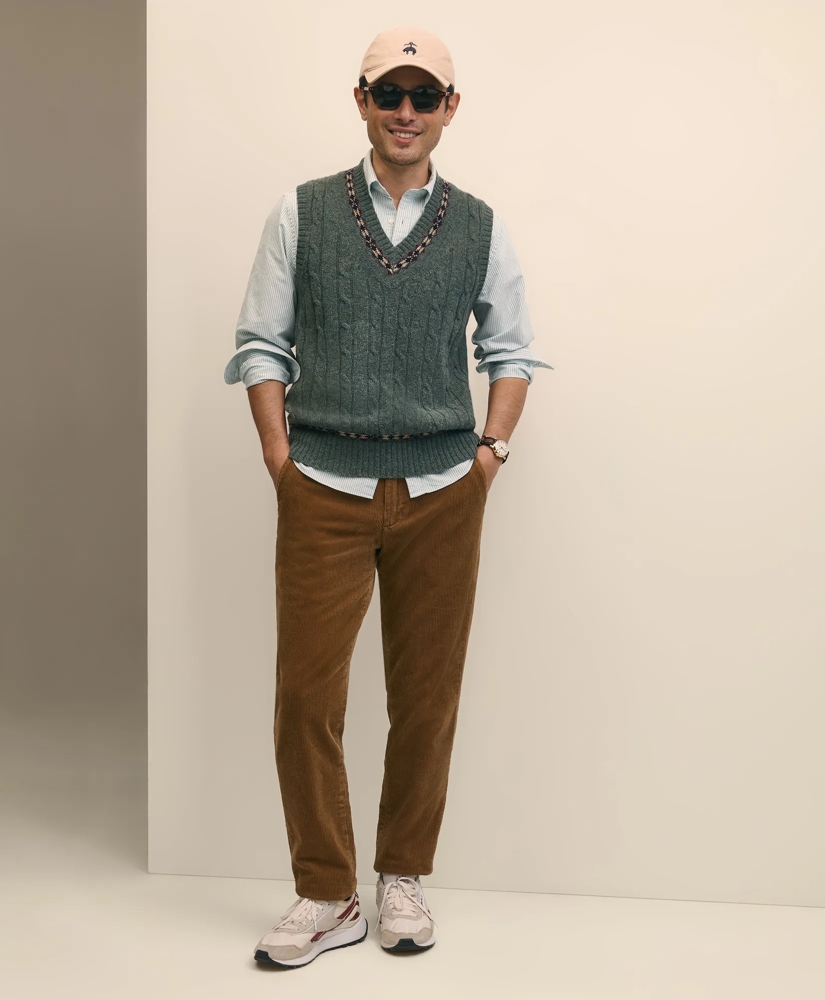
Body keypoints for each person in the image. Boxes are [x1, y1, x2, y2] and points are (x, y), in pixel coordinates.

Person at [223, 26, 552, 969]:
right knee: (304, 698)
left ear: (450, 108)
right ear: (361, 101)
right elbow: (261, 342)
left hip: (444, 488)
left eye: (423, 95)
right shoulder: (301, 212)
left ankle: (401, 875)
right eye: (389, 93)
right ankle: (326, 893)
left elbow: (511, 349)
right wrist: (280, 457)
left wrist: (489, 453)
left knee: (426, 698)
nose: (406, 111)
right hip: (322, 485)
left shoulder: (479, 224)